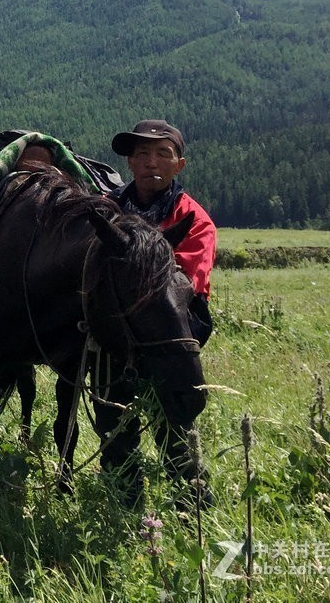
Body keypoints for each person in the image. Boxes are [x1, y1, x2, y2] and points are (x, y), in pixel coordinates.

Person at [102, 119, 217, 506]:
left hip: (167, 343)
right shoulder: (107, 212)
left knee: (175, 427)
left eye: (162, 154)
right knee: (114, 428)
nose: (152, 162)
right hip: (114, 344)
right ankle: (126, 505)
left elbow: (182, 284)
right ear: (130, 162)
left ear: (179, 165)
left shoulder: (194, 221)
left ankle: (192, 508)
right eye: (142, 154)